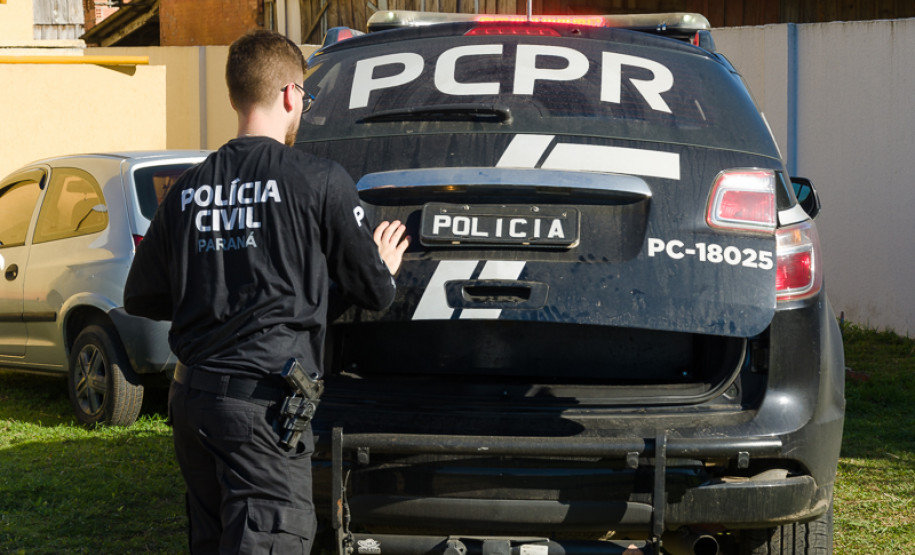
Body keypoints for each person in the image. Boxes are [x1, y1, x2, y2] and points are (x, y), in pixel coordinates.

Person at [123, 29, 408, 554]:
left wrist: (210, 296)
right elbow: (374, 292)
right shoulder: (319, 180)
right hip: (261, 412)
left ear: (234, 97)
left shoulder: (187, 188)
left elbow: (140, 296)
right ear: (291, 94)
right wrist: (384, 268)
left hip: (192, 403)